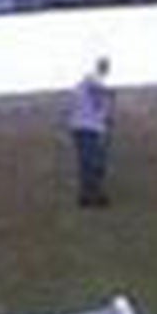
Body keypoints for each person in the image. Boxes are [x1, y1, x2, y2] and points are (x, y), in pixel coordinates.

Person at [66, 56, 115, 208]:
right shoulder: (90, 82)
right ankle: (91, 195)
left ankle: (89, 195)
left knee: (92, 162)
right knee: (91, 162)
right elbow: (97, 93)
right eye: (104, 66)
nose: (105, 70)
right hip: (86, 128)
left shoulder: (89, 86)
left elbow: (102, 109)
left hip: (89, 128)